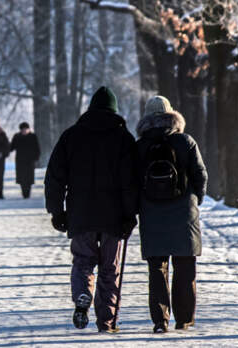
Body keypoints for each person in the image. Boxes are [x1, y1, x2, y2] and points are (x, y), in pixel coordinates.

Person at [45, 86, 138, 333]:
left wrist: (57, 211)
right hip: (114, 217)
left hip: (81, 214)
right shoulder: (124, 139)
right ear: (114, 110)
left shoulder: (71, 136)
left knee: (83, 261)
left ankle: (82, 295)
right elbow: (130, 182)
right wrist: (131, 214)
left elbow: (54, 176)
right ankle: (106, 321)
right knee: (110, 268)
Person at [135, 96, 207, 334]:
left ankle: (160, 320)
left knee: (157, 268)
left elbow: (131, 181)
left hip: (151, 214)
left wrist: (137, 207)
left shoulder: (140, 146)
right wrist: (194, 199)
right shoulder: (185, 141)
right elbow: (200, 175)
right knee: (185, 266)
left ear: (146, 118)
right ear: (172, 115)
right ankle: (184, 319)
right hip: (183, 213)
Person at [10, 122, 40, 199]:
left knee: (29, 178)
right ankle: (24, 192)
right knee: (22, 178)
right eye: (22, 129)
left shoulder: (33, 136)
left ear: (28, 129)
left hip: (30, 160)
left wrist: (36, 157)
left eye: (25, 129)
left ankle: (28, 192)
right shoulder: (17, 137)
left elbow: (37, 148)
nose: (24, 131)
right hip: (20, 161)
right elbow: (11, 147)